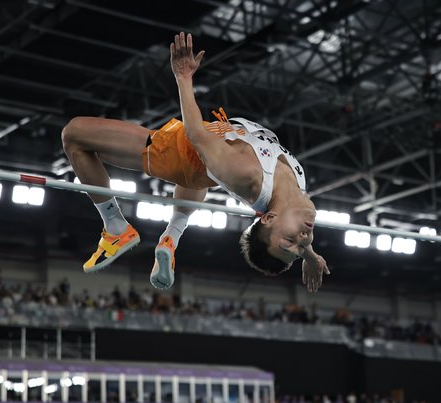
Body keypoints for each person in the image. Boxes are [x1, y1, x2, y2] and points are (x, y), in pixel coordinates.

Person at [61, 32, 329, 291]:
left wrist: (183, 76)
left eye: (289, 242)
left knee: (74, 135)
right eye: (299, 247)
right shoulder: (301, 201)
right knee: (204, 169)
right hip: (208, 159)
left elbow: (196, 135)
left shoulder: (247, 174)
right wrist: (309, 257)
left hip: (182, 151)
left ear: (268, 218)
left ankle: (115, 227)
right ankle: (171, 238)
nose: (303, 239)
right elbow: (296, 234)